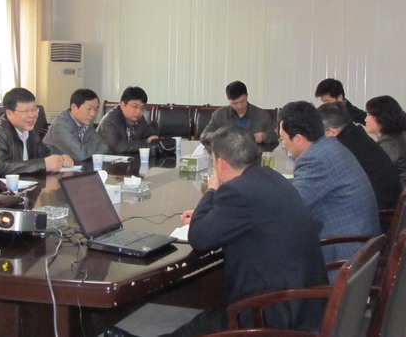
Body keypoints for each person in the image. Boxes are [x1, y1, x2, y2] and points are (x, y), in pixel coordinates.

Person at [106, 127, 328, 337]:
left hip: (271, 309)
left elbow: (199, 238)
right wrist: (214, 213)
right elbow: (245, 218)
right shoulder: (270, 177)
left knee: (202, 326)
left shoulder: (238, 191)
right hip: (305, 300)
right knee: (205, 320)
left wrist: (212, 189)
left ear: (220, 164)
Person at [279, 101, 380, 271]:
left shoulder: (314, 160)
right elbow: (301, 187)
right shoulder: (330, 146)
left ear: (298, 139)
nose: (283, 144)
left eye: (283, 138)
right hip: (362, 247)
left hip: (343, 260)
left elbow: (290, 208)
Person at [0, 88, 73, 180]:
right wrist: (44, 164)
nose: (32, 115)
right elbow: (0, 168)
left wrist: (60, 159)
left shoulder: (30, 129)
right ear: (9, 114)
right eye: (26, 111)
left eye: (34, 109)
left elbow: (44, 154)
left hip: (24, 183)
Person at [318, 102, 401, 210]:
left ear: (332, 132)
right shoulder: (356, 135)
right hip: (385, 203)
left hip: (379, 211)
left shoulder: (344, 146)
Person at [200, 81, 278, 145]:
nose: (240, 106)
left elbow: (274, 137)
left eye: (242, 101)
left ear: (247, 96)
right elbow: (204, 136)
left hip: (253, 155)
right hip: (226, 155)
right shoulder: (219, 115)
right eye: (235, 103)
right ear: (228, 100)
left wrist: (264, 137)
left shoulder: (262, 115)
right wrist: (218, 135)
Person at [365, 95, 406, 188]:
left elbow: (376, 175)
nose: (365, 119)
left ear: (381, 117)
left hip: (395, 193)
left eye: (369, 114)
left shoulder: (390, 143)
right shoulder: (397, 137)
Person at [43, 89, 109, 162]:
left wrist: (85, 149)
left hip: (75, 164)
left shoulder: (86, 122)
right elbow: (80, 155)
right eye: (89, 109)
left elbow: (104, 147)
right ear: (74, 107)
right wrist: (92, 147)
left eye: (96, 109)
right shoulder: (60, 125)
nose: (92, 114)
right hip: (52, 167)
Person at [96, 86, 159, 153]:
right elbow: (116, 147)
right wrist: (146, 143)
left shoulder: (139, 118)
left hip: (130, 157)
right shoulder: (109, 121)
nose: (139, 111)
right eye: (135, 106)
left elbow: (152, 135)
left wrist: (152, 139)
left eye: (142, 108)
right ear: (123, 105)